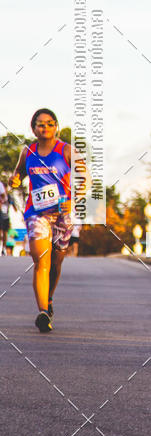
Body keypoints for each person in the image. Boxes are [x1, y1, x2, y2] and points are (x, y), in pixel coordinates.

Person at [10, 109, 73, 332]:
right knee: (42, 260)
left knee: (56, 263)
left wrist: (74, 200)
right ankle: (43, 312)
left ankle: (49, 299)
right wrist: (15, 179)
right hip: (36, 213)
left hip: (63, 214)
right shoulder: (28, 152)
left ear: (56, 126)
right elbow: (18, 174)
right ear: (33, 128)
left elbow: (86, 180)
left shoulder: (67, 151)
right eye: (39, 124)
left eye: (48, 124)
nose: (44, 128)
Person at [0, 179, 9, 256]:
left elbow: (4, 196)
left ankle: (4, 248)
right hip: (2, 213)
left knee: (5, 232)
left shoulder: (9, 196)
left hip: (4, 214)